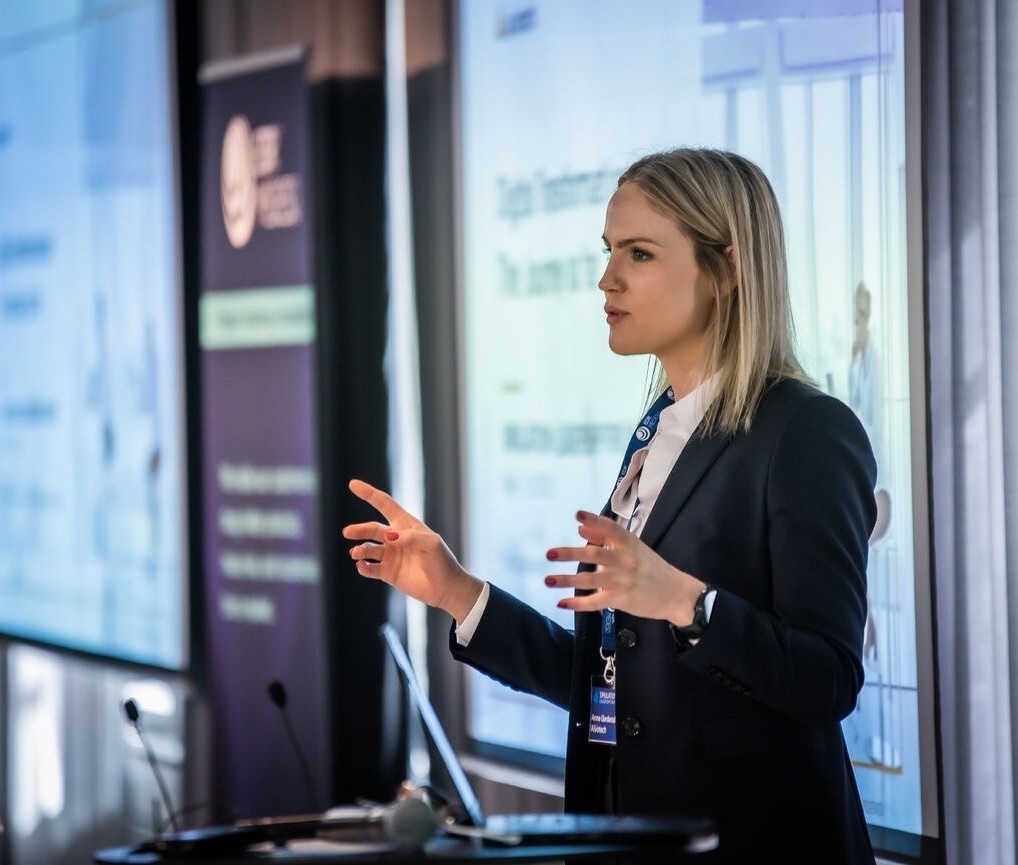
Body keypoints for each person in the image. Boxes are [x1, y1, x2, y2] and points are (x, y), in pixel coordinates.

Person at [343, 147, 877, 864]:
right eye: (609, 251)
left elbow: (829, 678)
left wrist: (688, 601)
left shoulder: (807, 430)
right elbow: (614, 688)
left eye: (640, 253)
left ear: (726, 267)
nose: (607, 278)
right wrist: (459, 593)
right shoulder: (659, 426)